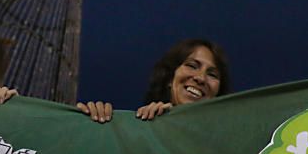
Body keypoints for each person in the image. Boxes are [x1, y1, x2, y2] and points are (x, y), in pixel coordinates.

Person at [78, 38, 231, 122]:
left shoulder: (225, 151)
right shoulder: (137, 131)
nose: (200, 78)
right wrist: (95, 124)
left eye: (212, 75)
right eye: (191, 65)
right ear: (170, 78)